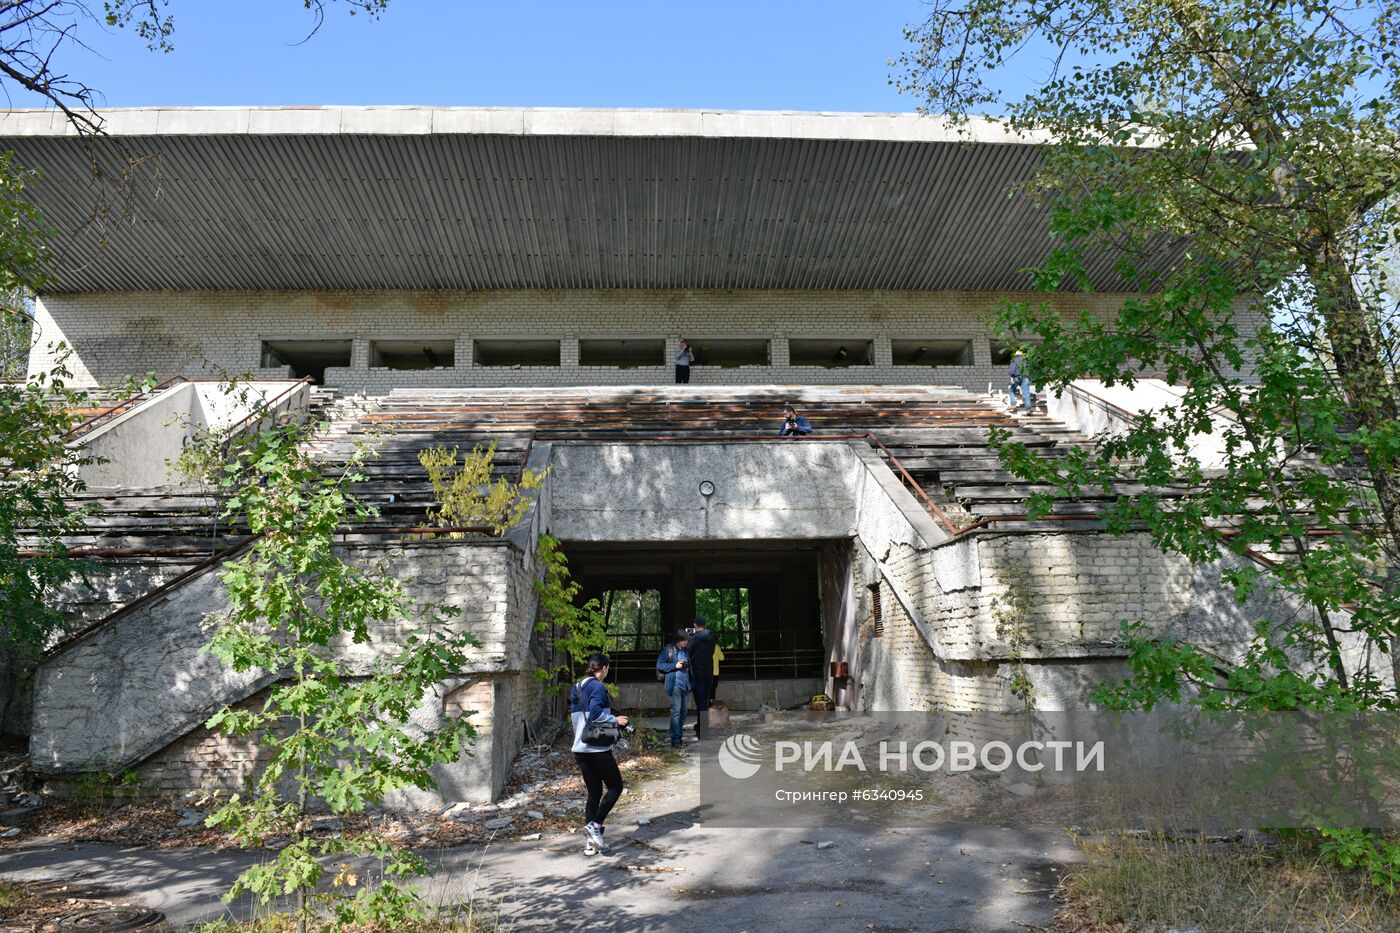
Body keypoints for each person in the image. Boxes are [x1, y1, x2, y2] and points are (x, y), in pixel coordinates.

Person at [570, 653, 629, 856]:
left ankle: (591, 843)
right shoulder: (597, 686)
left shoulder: (577, 687)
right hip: (597, 749)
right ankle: (595, 824)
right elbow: (595, 714)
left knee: (594, 794)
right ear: (603, 668)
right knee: (615, 787)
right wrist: (615, 720)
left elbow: (577, 721)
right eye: (607, 669)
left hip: (580, 748)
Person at [656, 631, 691, 748]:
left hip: (686, 685)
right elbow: (659, 665)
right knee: (676, 712)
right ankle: (675, 740)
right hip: (675, 684)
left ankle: (679, 736)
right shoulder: (668, 649)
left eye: (686, 640)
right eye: (683, 640)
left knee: (684, 712)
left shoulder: (686, 650)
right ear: (677, 640)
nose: (685, 642)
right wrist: (674, 666)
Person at [686, 615, 716, 739]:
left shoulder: (693, 640)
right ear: (705, 624)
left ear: (695, 625)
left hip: (697, 674)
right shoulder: (711, 638)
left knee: (701, 703)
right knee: (705, 701)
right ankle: (700, 726)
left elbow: (687, 653)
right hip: (709, 674)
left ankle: (703, 731)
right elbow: (712, 652)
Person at [711, 640, 724, 705]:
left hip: (705, 672)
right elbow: (722, 658)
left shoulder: (704, 646)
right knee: (713, 689)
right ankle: (712, 705)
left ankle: (705, 710)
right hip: (715, 672)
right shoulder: (717, 647)